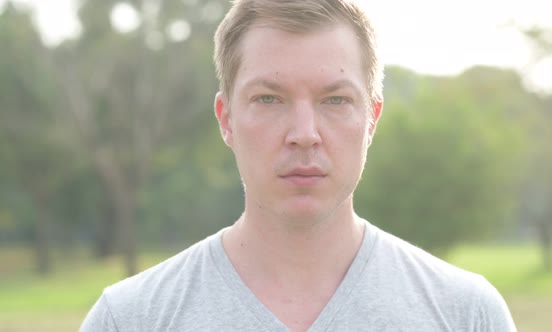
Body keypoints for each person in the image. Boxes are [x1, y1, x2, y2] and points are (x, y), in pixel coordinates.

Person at [81, 0, 516, 331]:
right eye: (269, 99)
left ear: (372, 120)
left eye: (335, 100)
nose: (304, 133)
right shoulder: (130, 319)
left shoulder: (466, 314)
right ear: (227, 119)